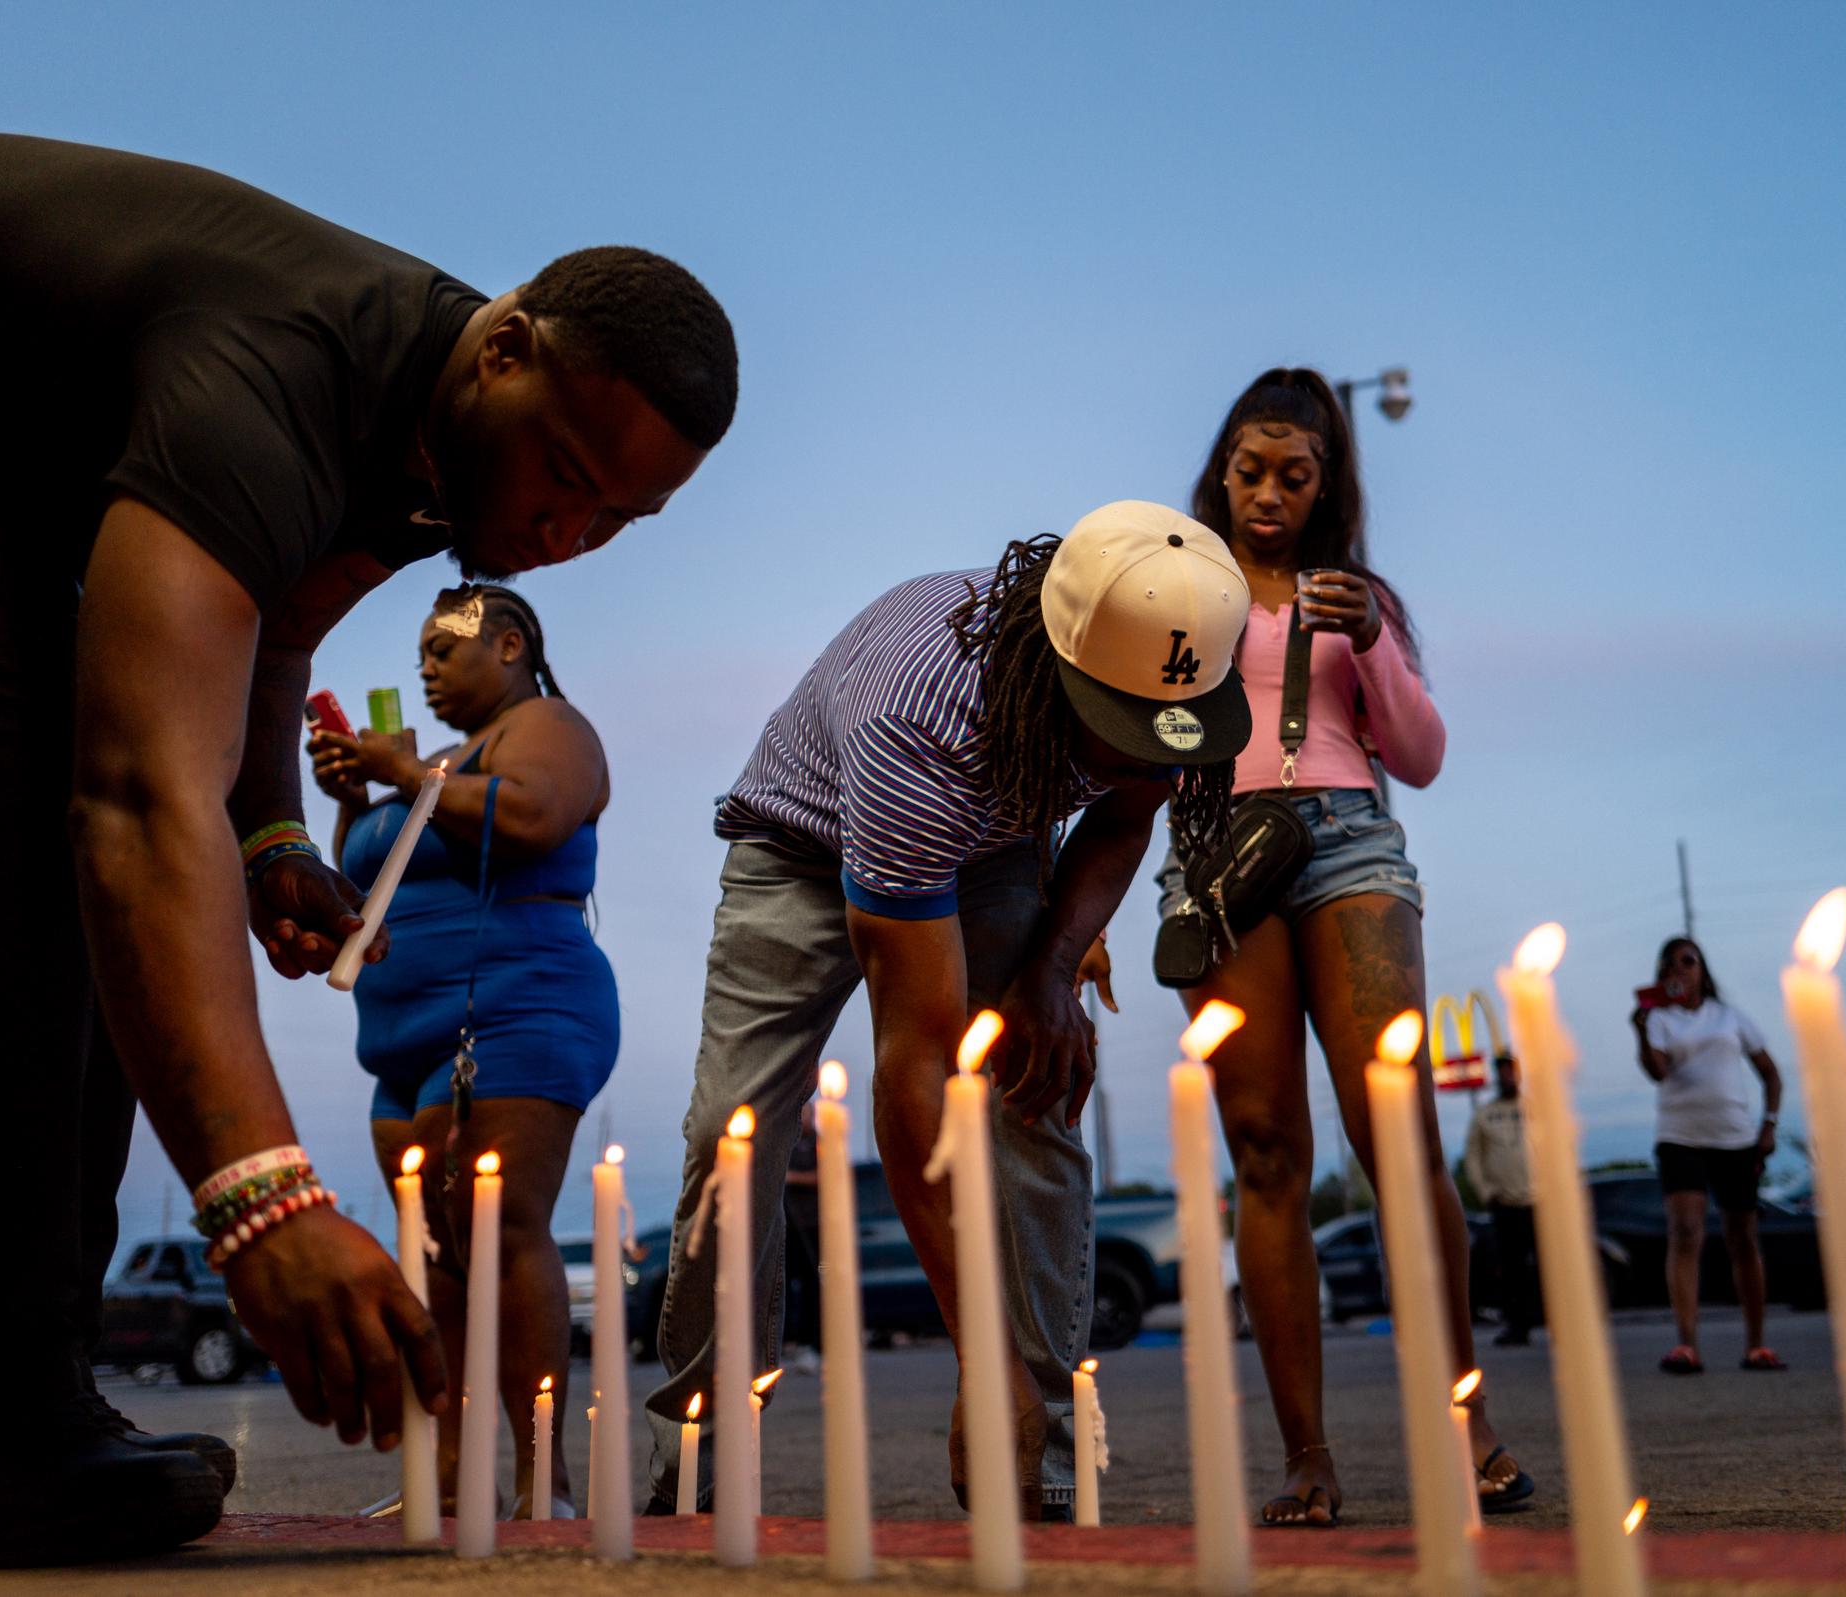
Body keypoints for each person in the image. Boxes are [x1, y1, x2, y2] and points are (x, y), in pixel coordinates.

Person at [0, 132, 735, 1567]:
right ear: (502, 345)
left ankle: (29, 1402)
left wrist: (270, 831)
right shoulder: (278, 377)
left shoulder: (446, 452)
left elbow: (281, 624)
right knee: (20, 800)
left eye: (615, 519)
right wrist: (262, 1199)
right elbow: (139, 796)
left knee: (75, 824)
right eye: (564, 474)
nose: (562, 536)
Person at [644, 501, 1249, 1522]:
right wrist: (980, 1357)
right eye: (1113, 731)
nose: (1138, 755)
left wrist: (1052, 967)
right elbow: (913, 1077)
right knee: (731, 1135)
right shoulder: (921, 727)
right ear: (1052, 677)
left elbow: (1127, 810)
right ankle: (695, 1460)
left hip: (993, 832)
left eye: (1159, 735)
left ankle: (1041, 1465)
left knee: (1037, 1082)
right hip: (809, 839)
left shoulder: (1159, 659)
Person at [1156, 368, 1528, 1529]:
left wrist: (1368, 642)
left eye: (1295, 476)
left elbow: (1420, 754)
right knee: (1265, 1150)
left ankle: (1466, 1425)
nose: (1270, 494)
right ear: (1223, 468)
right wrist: (1084, 921)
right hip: (1217, 857)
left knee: (1399, 1134)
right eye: (1252, 470)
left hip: (1347, 843)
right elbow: (1126, 748)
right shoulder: (1172, 581)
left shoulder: (1360, 595)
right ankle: (1307, 1457)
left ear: (1327, 485)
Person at [308, 584, 617, 1514]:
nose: (428, 666)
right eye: (421, 655)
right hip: (399, 1039)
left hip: (517, 1011)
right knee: (433, 1248)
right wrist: (355, 796)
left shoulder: (548, 725)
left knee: (500, 1227)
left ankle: (541, 1480)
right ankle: (443, 1482)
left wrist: (403, 778)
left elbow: (530, 816)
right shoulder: (436, 764)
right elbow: (371, 871)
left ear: (512, 643)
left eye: (446, 647)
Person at [1631, 936, 1786, 1374]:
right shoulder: (1659, 1018)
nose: (1680, 970)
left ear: (1703, 969)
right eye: (1671, 964)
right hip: (1681, 1136)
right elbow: (1658, 1072)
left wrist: (1769, 1124)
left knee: (1742, 1237)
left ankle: (1756, 1344)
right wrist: (1641, 1030)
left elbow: (1770, 1074)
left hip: (1735, 1137)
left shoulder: (1730, 1016)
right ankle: (1686, 1344)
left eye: (1688, 961)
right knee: (1685, 1231)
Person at [1464, 1055, 1539, 1347]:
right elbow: (1473, 1157)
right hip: (1505, 1203)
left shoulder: (1537, 1108)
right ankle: (1517, 1326)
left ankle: (1564, 1322)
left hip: (1539, 1200)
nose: (1507, 1077)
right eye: (1502, 1072)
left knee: (1551, 1265)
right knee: (1512, 1267)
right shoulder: (1485, 1114)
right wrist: (1487, 1192)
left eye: (1512, 1072)